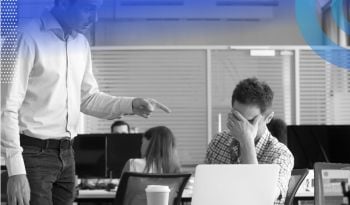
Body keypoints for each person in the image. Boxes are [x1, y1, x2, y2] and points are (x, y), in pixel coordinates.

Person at [1, 1, 171, 205]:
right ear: (64, 3)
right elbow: (5, 107)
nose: (95, 18)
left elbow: (88, 98)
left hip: (67, 154)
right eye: (88, 9)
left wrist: (131, 104)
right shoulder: (23, 37)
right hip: (32, 154)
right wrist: (15, 171)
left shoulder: (80, 44)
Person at [205, 78, 294, 205]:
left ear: (268, 118)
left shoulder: (281, 155)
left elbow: (260, 199)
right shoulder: (218, 142)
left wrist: (246, 140)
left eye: (249, 121)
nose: (241, 126)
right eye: (236, 117)